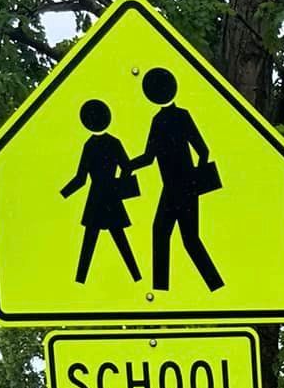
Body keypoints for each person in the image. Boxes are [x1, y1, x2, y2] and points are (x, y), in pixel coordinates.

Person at [131, 67, 224, 293]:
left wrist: (197, 180)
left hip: (182, 188)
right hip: (173, 189)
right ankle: (163, 289)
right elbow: (151, 157)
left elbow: (202, 150)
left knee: (186, 239)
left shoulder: (176, 117)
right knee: (166, 234)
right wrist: (126, 165)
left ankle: (215, 285)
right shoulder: (162, 119)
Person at [60, 100, 141, 285]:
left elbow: (81, 179)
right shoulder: (114, 142)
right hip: (111, 196)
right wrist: (119, 183)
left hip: (96, 198)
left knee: (90, 242)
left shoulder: (90, 145)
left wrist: (63, 193)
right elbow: (127, 166)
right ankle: (137, 277)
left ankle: (80, 280)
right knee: (119, 239)